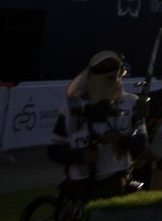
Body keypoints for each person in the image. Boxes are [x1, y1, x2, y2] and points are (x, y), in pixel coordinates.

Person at [47, 50, 147, 200]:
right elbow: (54, 150)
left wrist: (121, 139)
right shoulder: (71, 107)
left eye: (114, 73)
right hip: (80, 182)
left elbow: (141, 144)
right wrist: (81, 156)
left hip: (116, 178)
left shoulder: (131, 103)